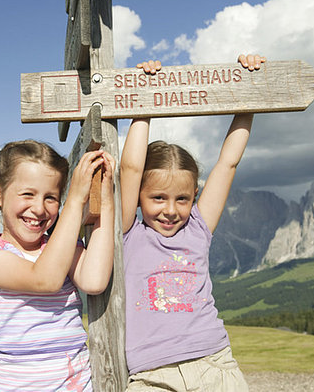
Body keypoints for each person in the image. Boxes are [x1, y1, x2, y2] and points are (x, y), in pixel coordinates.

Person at [120, 54, 266, 391]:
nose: (171, 210)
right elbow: (130, 168)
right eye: (158, 198)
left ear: (194, 195)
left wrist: (249, 98)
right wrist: (145, 98)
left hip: (213, 362)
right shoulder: (128, 233)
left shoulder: (198, 228)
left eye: (182, 199)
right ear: (138, 195)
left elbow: (228, 163)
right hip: (150, 374)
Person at [0, 140, 115, 391]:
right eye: (28, 194)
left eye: (51, 198)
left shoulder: (61, 246)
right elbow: (44, 279)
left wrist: (106, 197)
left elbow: (94, 281)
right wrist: (75, 200)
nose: (38, 208)